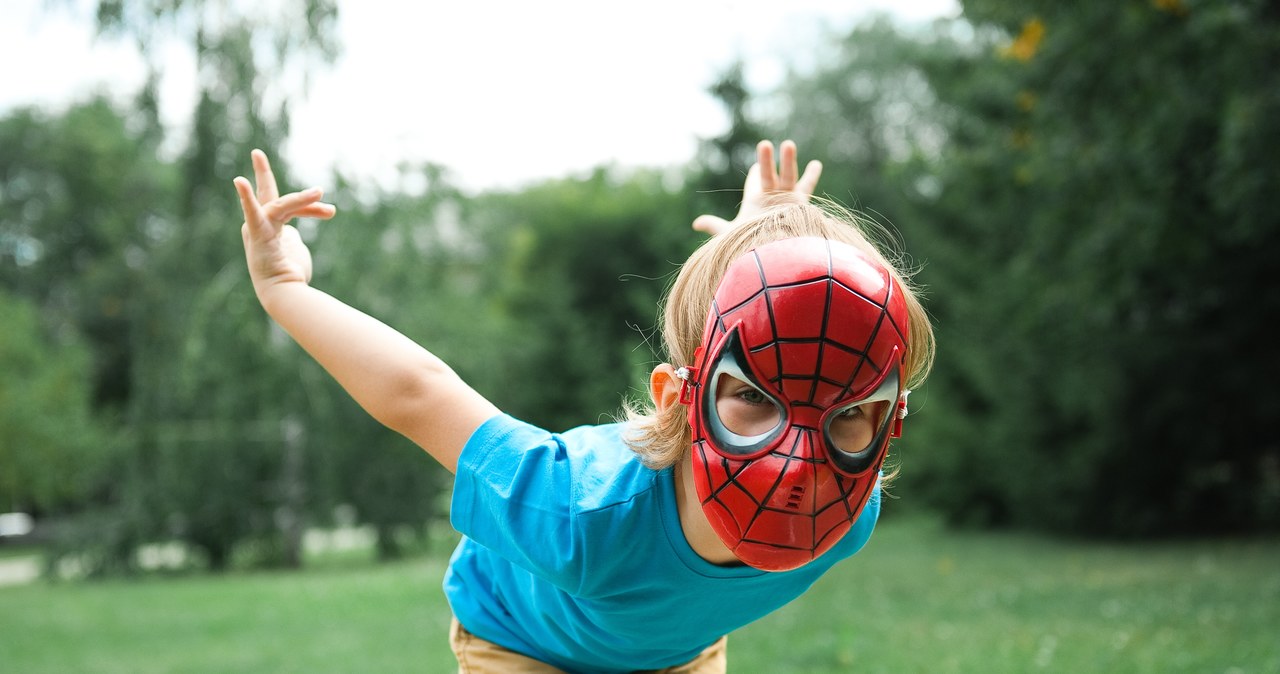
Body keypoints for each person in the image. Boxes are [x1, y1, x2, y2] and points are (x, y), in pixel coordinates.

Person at [233, 139, 934, 674]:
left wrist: (759, 242)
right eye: (752, 396)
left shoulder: (848, 515)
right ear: (678, 399)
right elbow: (417, 393)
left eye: (848, 412)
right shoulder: (577, 514)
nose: (797, 459)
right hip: (522, 642)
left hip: (676, 654)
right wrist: (284, 290)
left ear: (889, 421)